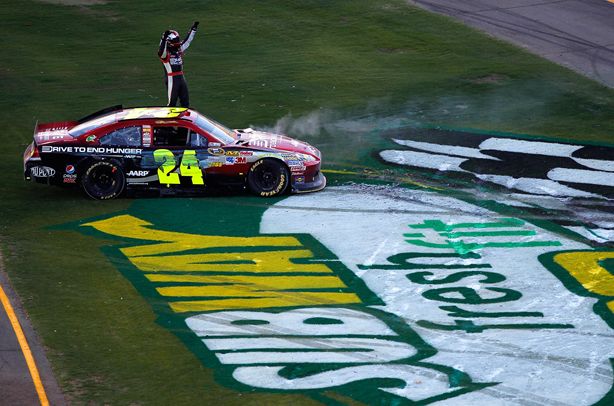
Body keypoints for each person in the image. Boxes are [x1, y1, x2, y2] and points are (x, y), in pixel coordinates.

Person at [158, 21, 199, 107]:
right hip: (171, 79)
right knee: (172, 104)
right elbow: (161, 51)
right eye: (175, 45)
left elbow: (187, 41)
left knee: (185, 102)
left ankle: (184, 118)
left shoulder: (179, 50)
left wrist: (193, 29)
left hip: (181, 78)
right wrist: (164, 39)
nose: (178, 47)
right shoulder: (165, 55)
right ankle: (169, 119)